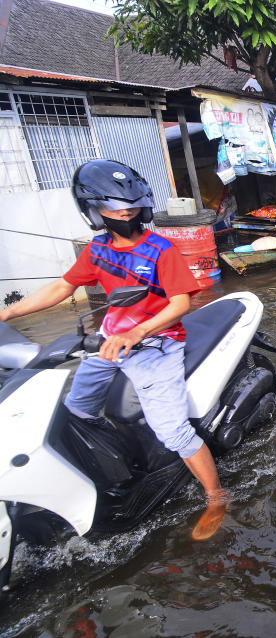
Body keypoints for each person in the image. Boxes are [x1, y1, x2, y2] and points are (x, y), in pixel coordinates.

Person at [0, 160, 227, 541]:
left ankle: (217, 496)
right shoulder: (98, 249)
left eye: (132, 206)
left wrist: (136, 332)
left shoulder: (161, 249)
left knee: (172, 431)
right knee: (75, 409)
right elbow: (61, 288)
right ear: (93, 211)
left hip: (157, 345)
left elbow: (179, 304)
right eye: (114, 208)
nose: (125, 213)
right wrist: (7, 312)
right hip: (108, 344)